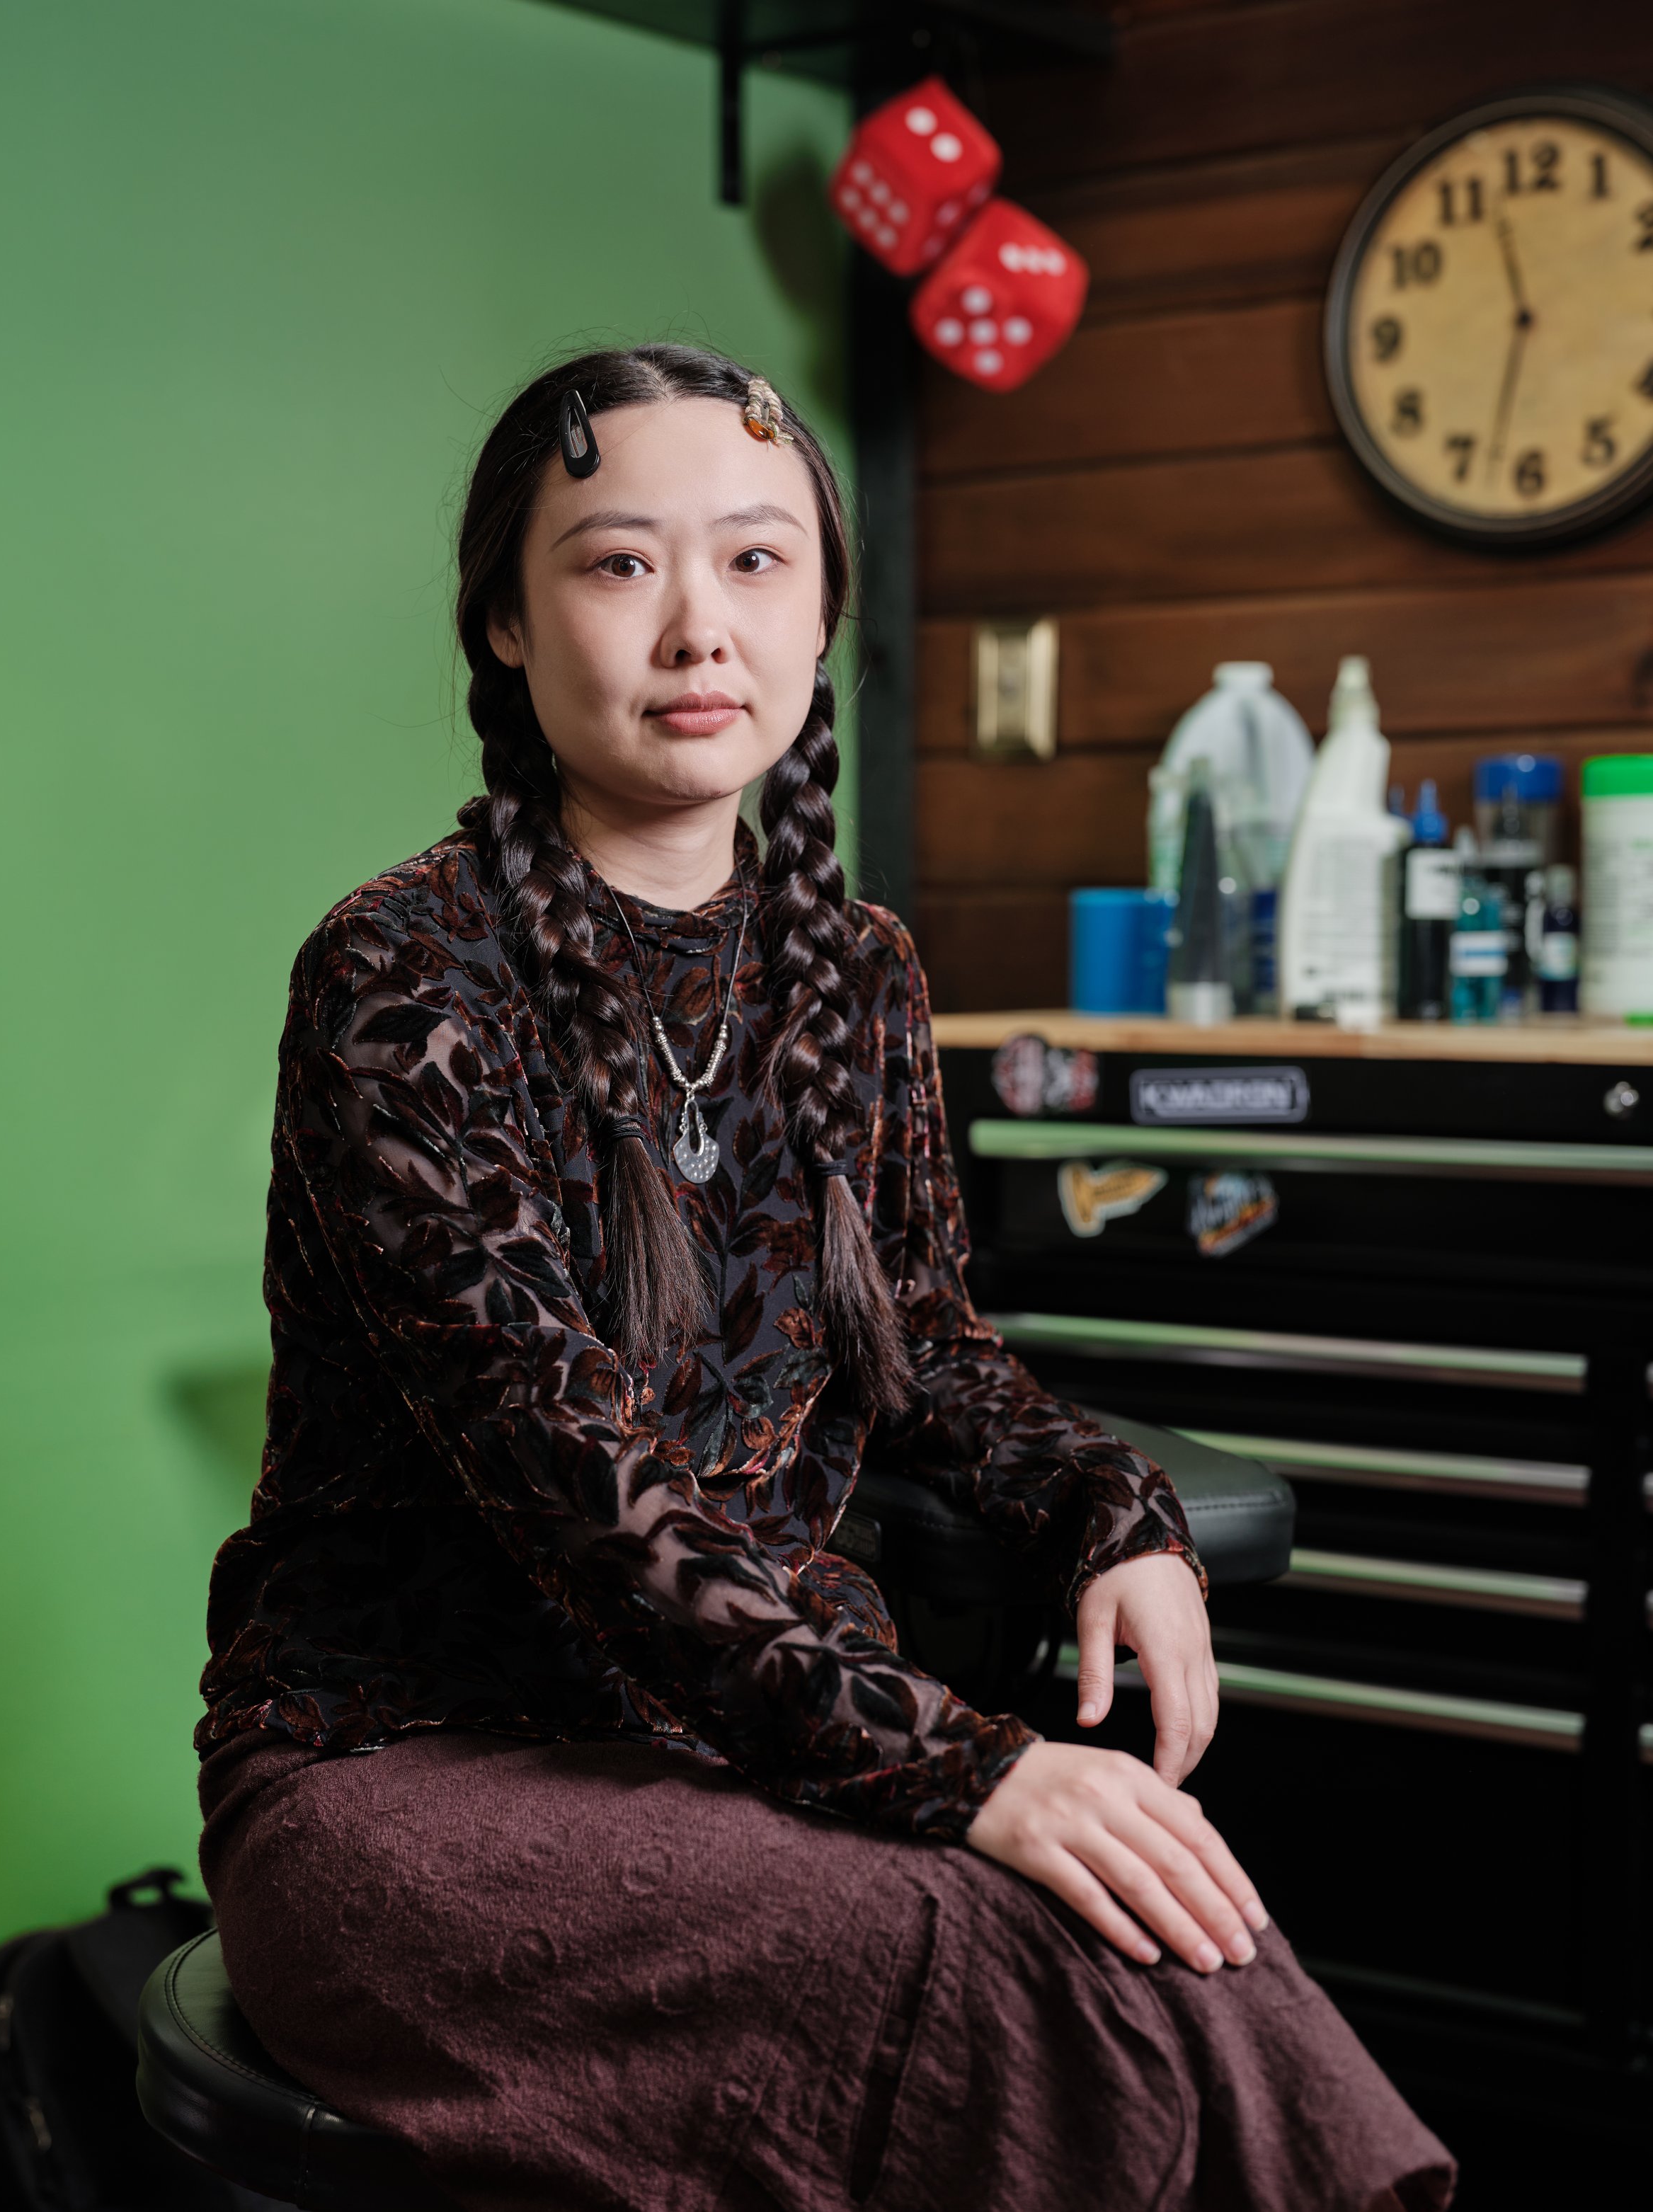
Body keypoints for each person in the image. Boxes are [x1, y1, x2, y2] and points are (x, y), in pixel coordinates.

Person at [195, 343, 1453, 2211]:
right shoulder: (404, 978)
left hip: (739, 1747)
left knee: (1173, 1936)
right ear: (505, 631)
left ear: (821, 619)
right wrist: (963, 1769)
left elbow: (926, 1348)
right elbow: (574, 1475)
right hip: (411, 1785)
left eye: (758, 563)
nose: (698, 625)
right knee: (1045, 1949)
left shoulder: (849, 972)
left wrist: (1108, 1508)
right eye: (619, 564)